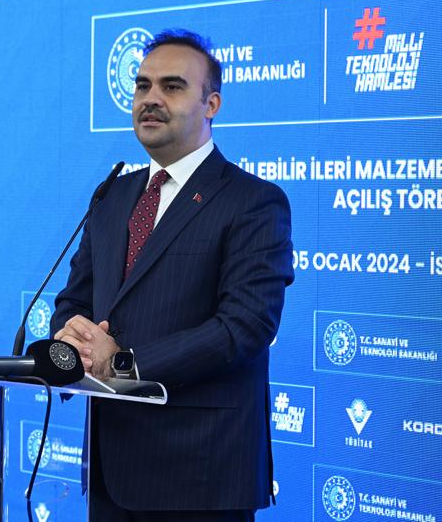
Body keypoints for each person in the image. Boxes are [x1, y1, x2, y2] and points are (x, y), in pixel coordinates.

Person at [51, 29, 294, 522]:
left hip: (199, 475)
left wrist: (121, 365)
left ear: (212, 104)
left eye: (172, 86)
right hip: (110, 470)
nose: (151, 98)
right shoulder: (112, 196)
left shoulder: (253, 201)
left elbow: (244, 327)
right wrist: (72, 342)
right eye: (142, 86)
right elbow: (74, 301)